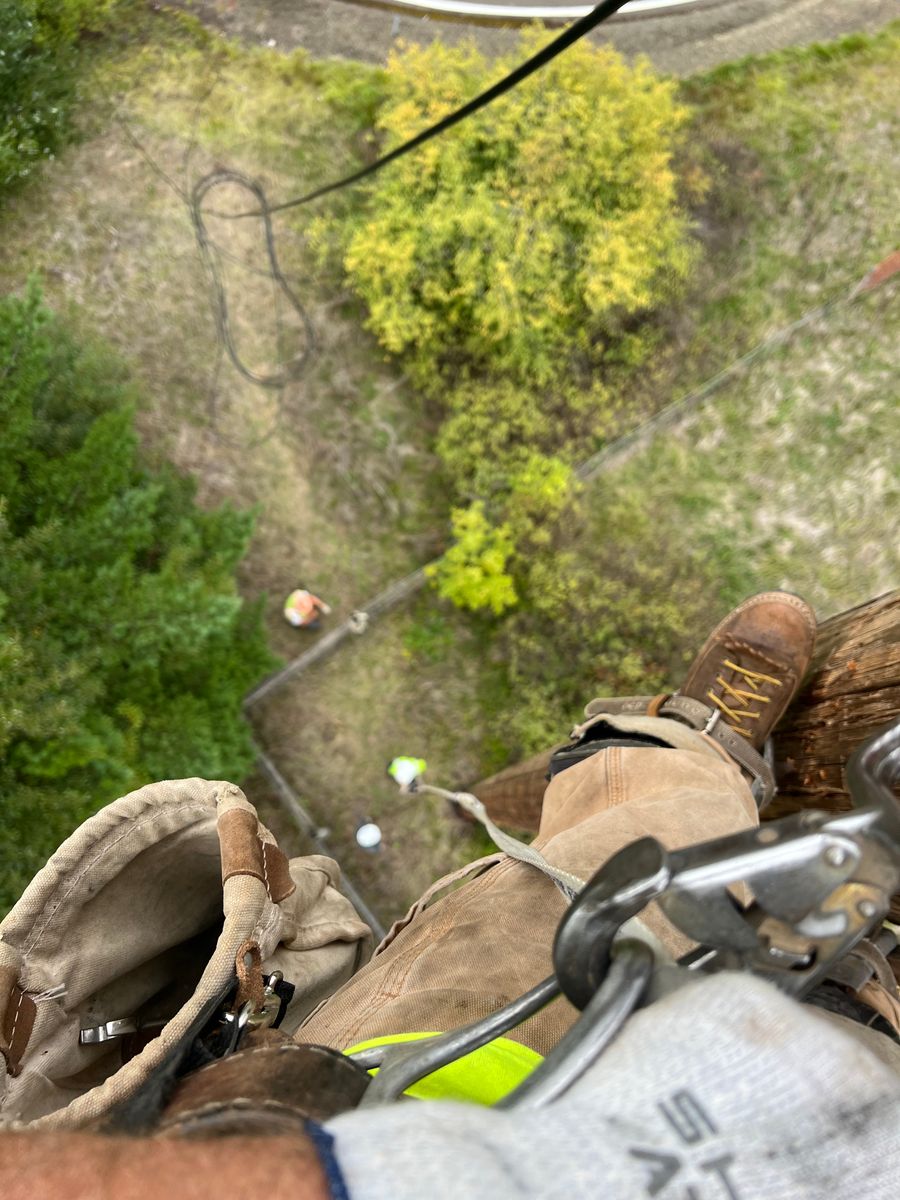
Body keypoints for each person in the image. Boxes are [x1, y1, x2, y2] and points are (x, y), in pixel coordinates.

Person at [3, 592, 899, 1199]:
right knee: (837, 1010)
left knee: (552, 892)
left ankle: (667, 752)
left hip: (384, 1094)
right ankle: (853, 989)